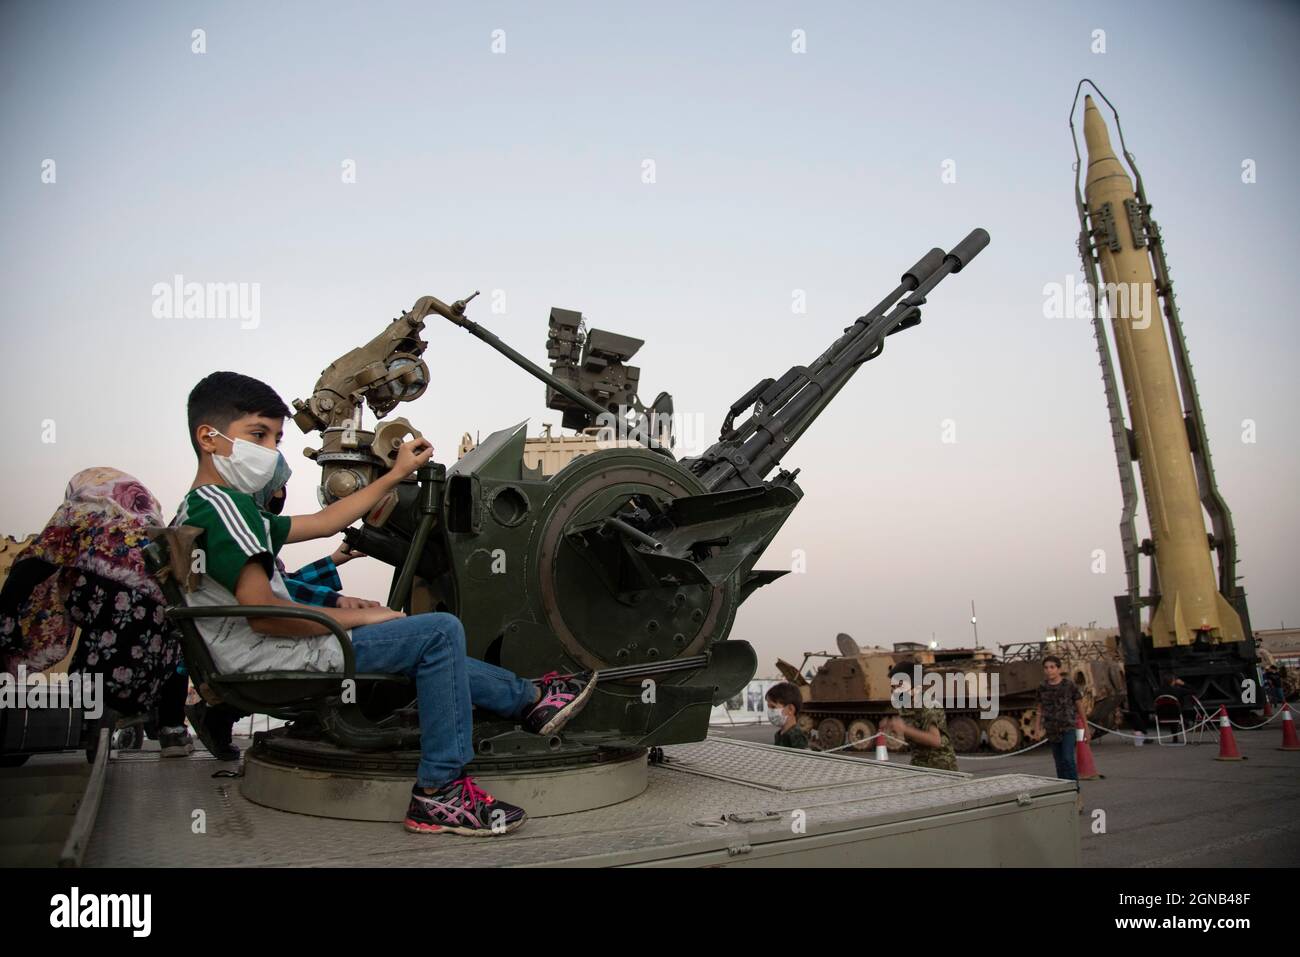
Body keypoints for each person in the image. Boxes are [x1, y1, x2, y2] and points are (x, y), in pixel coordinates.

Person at [175, 371, 596, 835]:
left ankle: (532, 700)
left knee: (424, 640)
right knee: (438, 631)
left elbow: (323, 520)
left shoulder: (205, 506)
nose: (271, 449)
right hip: (272, 657)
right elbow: (264, 614)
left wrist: (395, 475)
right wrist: (360, 616)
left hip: (259, 653)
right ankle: (441, 790)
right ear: (208, 438)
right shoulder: (223, 507)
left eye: (275, 437)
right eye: (258, 435)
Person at [0, 467, 187, 753]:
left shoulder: (85, 511)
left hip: (105, 642)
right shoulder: (151, 527)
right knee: (173, 644)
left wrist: (8, 609)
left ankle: (88, 727)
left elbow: (38, 560)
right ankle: (171, 729)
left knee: (90, 684)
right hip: (161, 646)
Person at [1033, 655, 1087, 803]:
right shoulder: (1042, 687)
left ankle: (1076, 794)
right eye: (1046, 668)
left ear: (1059, 669)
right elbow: (1039, 709)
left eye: (1052, 667)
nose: (1049, 670)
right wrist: (1037, 728)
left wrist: (1086, 727)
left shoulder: (1069, 686)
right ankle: (1065, 796)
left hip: (1068, 727)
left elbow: (1079, 707)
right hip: (1052, 729)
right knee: (1059, 763)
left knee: (1068, 760)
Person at [879, 674, 959, 771]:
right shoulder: (904, 704)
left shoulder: (928, 705)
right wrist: (891, 724)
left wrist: (904, 729)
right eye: (893, 687)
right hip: (919, 762)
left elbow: (935, 740)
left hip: (940, 765)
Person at [765, 682, 808, 749]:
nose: (769, 711)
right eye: (769, 707)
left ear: (790, 709)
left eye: (773, 707)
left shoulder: (796, 736)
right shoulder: (778, 734)